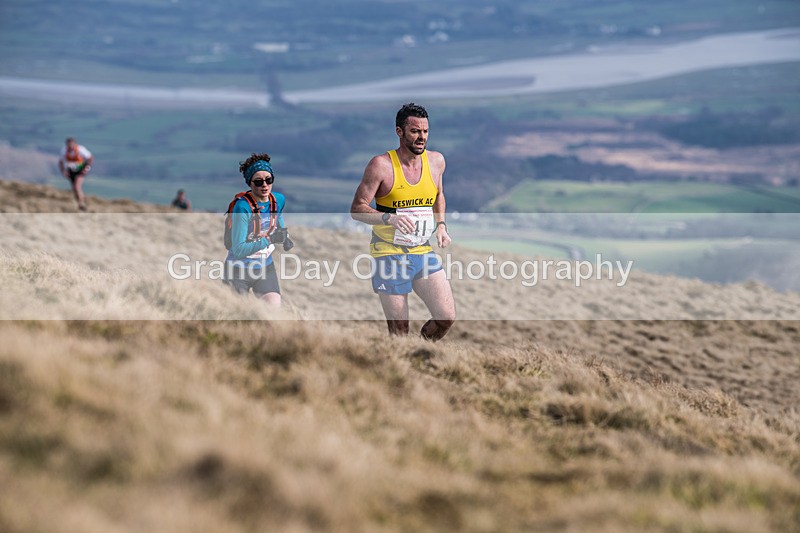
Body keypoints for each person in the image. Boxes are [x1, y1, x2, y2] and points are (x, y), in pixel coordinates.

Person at [350, 102, 456, 341]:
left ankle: (419, 352)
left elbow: (438, 195)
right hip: (389, 254)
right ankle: (400, 367)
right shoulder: (381, 165)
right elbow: (357, 209)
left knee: (446, 317)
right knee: (399, 332)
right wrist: (389, 218)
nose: (421, 137)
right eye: (415, 131)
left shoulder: (436, 161)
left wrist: (441, 226)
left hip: (422, 251)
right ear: (399, 132)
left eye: (425, 131)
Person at [223, 152, 293, 306]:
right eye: (258, 182)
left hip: (265, 267)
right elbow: (239, 249)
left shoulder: (278, 199)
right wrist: (269, 239)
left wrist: (284, 234)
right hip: (237, 270)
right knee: (236, 317)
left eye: (269, 180)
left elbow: (277, 213)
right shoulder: (243, 207)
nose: (264, 185)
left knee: (273, 312)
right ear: (250, 183)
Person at [58, 137, 93, 211]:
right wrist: (63, 171)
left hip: (80, 170)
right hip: (71, 170)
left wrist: (86, 168)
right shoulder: (64, 150)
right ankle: (79, 203)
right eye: (68, 145)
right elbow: (60, 162)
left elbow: (90, 158)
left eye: (71, 144)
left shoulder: (81, 149)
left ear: (74, 144)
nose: (70, 146)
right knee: (74, 188)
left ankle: (81, 203)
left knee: (77, 186)